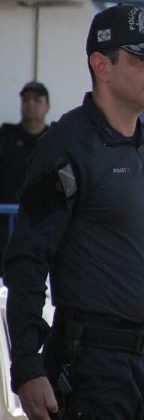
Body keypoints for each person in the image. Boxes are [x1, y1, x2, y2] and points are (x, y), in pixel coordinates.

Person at [4, 3, 144, 420]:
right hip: (92, 372)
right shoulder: (67, 145)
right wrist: (27, 366)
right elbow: (25, 261)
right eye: (141, 58)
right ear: (101, 66)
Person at [0, 81, 51, 275]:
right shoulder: (6, 136)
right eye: (26, 99)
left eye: (37, 99)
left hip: (41, 226)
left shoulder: (55, 140)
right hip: (5, 226)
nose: (31, 104)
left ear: (47, 106)